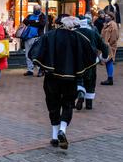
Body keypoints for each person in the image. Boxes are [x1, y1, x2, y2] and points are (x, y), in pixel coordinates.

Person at [29, 15, 97, 150]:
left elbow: (34, 51)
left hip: (52, 77)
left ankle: (54, 137)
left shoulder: (50, 36)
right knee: (67, 104)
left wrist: (41, 65)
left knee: (53, 105)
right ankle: (62, 130)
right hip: (70, 79)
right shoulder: (78, 38)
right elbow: (91, 53)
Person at [75, 15, 109, 110]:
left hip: (77, 62)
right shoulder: (93, 33)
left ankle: (80, 93)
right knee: (90, 81)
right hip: (91, 62)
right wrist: (104, 57)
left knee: (78, 79)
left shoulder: (74, 33)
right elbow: (103, 46)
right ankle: (89, 104)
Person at [22, 4, 46, 77]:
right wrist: (35, 21)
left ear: (40, 9)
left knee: (38, 54)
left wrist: (31, 22)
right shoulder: (29, 15)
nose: (35, 10)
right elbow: (25, 21)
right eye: (34, 9)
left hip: (37, 38)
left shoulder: (42, 16)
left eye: (37, 9)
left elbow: (42, 24)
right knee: (27, 55)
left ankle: (40, 70)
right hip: (28, 38)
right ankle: (30, 70)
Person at [100, 12, 119, 86]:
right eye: (106, 15)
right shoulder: (106, 24)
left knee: (109, 61)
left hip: (110, 47)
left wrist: (108, 44)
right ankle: (109, 78)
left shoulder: (112, 24)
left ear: (111, 17)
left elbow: (114, 37)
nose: (106, 16)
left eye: (108, 15)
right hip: (106, 46)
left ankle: (110, 79)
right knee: (108, 62)